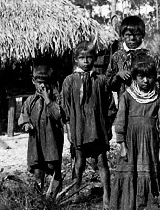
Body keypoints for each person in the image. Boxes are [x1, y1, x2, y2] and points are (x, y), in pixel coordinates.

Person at [111, 54, 160, 210]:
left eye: (149, 76)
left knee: (148, 171)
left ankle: (146, 205)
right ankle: (127, 204)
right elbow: (120, 121)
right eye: (141, 77)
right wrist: (122, 145)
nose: (145, 80)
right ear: (135, 77)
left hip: (151, 142)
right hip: (131, 141)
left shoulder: (158, 97)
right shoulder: (127, 96)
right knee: (130, 171)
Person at [62, 41, 113, 208]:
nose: (86, 61)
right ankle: (75, 193)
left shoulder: (101, 80)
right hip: (79, 128)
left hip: (97, 128)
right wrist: (69, 129)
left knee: (102, 161)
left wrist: (108, 127)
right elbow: (66, 107)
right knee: (79, 162)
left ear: (95, 59)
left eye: (89, 57)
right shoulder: (69, 81)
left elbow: (110, 105)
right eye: (82, 58)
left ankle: (107, 195)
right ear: (76, 59)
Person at [18, 65, 65, 199]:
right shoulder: (30, 101)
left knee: (53, 167)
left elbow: (58, 114)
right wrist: (26, 124)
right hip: (35, 141)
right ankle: (39, 198)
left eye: (45, 82)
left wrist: (47, 99)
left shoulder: (55, 99)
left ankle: (54, 196)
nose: (42, 86)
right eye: (39, 82)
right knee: (38, 170)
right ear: (33, 81)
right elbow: (23, 115)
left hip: (52, 140)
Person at [107, 15, 160, 99]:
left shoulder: (151, 57)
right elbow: (108, 84)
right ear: (122, 36)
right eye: (128, 35)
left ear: (143, 35)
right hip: (124, 105)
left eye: (136, 34)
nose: (132, 38)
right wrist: (117, 76)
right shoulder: (117, 57)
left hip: (147, 104)